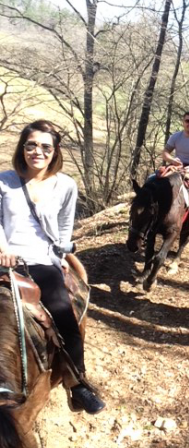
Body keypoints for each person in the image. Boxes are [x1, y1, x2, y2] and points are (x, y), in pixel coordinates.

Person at [0, 119, 105, 415]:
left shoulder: (66, 185)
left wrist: (59, 254)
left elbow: (63, 227)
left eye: (45, 146)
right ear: (22, 148)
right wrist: (3, 248)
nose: (37, 151)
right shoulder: (4, 180)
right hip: (4, 256)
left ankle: (77, 383)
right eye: (31, 145)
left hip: (39, 262)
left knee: (61, 311)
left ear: (54, 151)